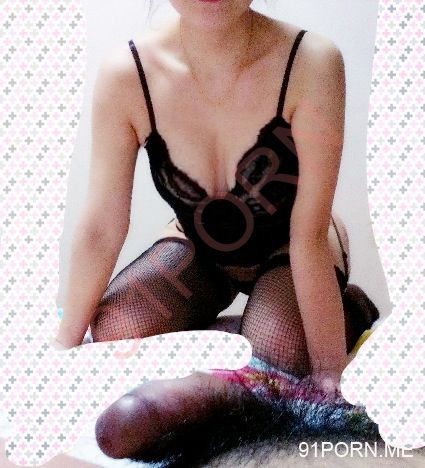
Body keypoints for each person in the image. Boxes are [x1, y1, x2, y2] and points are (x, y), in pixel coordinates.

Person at [54, 0, 380, 461]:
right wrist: (64, 345)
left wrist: (329, 374)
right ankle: (234, 329)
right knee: (114, 328)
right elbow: (103, 225)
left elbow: (307, 236)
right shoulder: (127, 73)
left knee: (278, 353)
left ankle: (351, 309)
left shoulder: (311, 61)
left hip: (293, 242)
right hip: (199, 242)